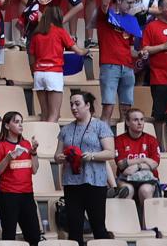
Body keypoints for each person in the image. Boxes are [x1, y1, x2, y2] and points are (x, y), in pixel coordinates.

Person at [58, 90, 115, 244]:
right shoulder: (66, 129)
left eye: (77, 104)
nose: (74, 107)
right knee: (74, 228)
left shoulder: (100, 126)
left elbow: (110, 153)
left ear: (87, 105)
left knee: (98, 226)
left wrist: (92, 156)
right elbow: (57, 156)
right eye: (71, 104)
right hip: (72, 182)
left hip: (95, 182)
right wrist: (61, 157)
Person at [0, 111, 41, 245]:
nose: (20, 125)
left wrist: (34, 152)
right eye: (16, 122)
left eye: (21, 122)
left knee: (34, 236)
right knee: (9, 236)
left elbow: (34, 170)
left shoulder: (27, 145)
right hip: (8, 196)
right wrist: (8, 158)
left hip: (27, 195)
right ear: (6, 126)